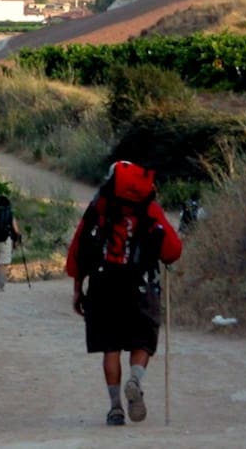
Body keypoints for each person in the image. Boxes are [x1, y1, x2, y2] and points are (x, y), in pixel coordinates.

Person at [65, 160, 182, 427]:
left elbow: (79, 248)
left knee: (111, 347)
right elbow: (173, 250)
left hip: (104, 284)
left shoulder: (100, 207)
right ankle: (135, 380)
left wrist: (77, 289)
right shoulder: (149, 208)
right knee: (142, 340)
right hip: (141, 284)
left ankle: (116, 407)